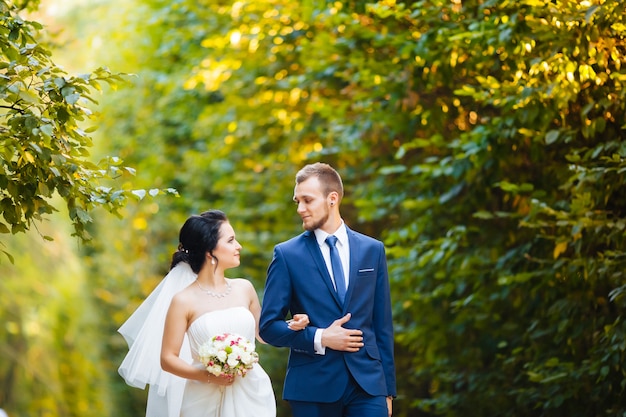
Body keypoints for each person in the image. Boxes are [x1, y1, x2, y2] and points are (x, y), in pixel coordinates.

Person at [118, 210, 309, 417]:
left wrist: (291, 325)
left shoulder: (244, 288)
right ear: (210, 251)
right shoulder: (183, 300)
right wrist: (208, 376)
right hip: (201, 399)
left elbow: (263, 334)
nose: (239, 247)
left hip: (250, 393)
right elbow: (167, 358)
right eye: (231, 241)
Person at [259, 163, 397, 417]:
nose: (300, 209)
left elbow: (382, 325)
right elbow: (267, 328)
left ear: (332, 199)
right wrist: (320, 337)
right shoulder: (287, 255)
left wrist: (387, 390)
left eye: (307, 200)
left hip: (367, 386)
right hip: (312, 388)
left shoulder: (372, 250)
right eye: (297, 201)